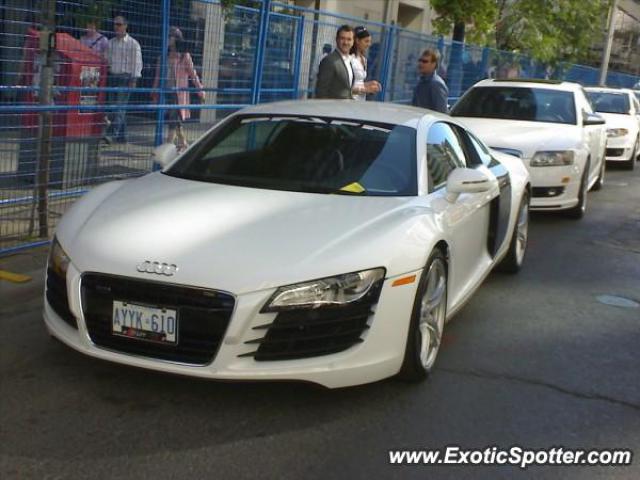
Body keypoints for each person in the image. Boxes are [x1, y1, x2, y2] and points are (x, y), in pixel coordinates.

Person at [151, 27, 205, 151]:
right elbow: (158, 75)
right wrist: (154, 91)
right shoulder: (163, 57)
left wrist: (200, 91)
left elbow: (193, 74)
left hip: (178, 94)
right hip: (166, 92)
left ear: (176, 39)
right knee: (175, 119)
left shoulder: (184, 57)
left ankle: (167, 147)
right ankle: (183, 143)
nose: (168, 39)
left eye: (170, 36)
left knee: (173, 119)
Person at [104, 15, 143, 143]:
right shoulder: (110, 43)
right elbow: (106, 60)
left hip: (125, 78)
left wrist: (134, 79)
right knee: (114, 107)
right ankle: (123, 136)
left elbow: (137, 63)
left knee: (119, 108)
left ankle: (112, 135)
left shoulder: (133, 44)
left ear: (126, 26)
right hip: (113, 76)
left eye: (119, 24)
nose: (116, 27)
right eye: (115, 24)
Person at [315, 25, 355, 100]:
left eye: (349, 39)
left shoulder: (348, 61)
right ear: (337, 39)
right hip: (333, 109)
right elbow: (321, 92)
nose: (345, 42)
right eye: (342, 38)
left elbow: (346, 90)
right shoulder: (329, 61)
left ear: (353, 42)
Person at [412, 48, 448, 113]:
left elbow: (441, 112)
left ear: (433, 64)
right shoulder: (421, 81)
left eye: (425, 61)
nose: (420, 64)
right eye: (420, 60)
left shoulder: (436, 84)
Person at [350, 26, 381, 101]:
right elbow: (346, 88)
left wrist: (370, 84)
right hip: (350, 101)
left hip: (360, 101)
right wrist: (365, 89)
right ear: (357, 40)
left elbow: (359, 82)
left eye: (370, 42)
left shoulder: (363, 59)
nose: (369, 44)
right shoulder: (350, 59)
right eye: (366, 41)